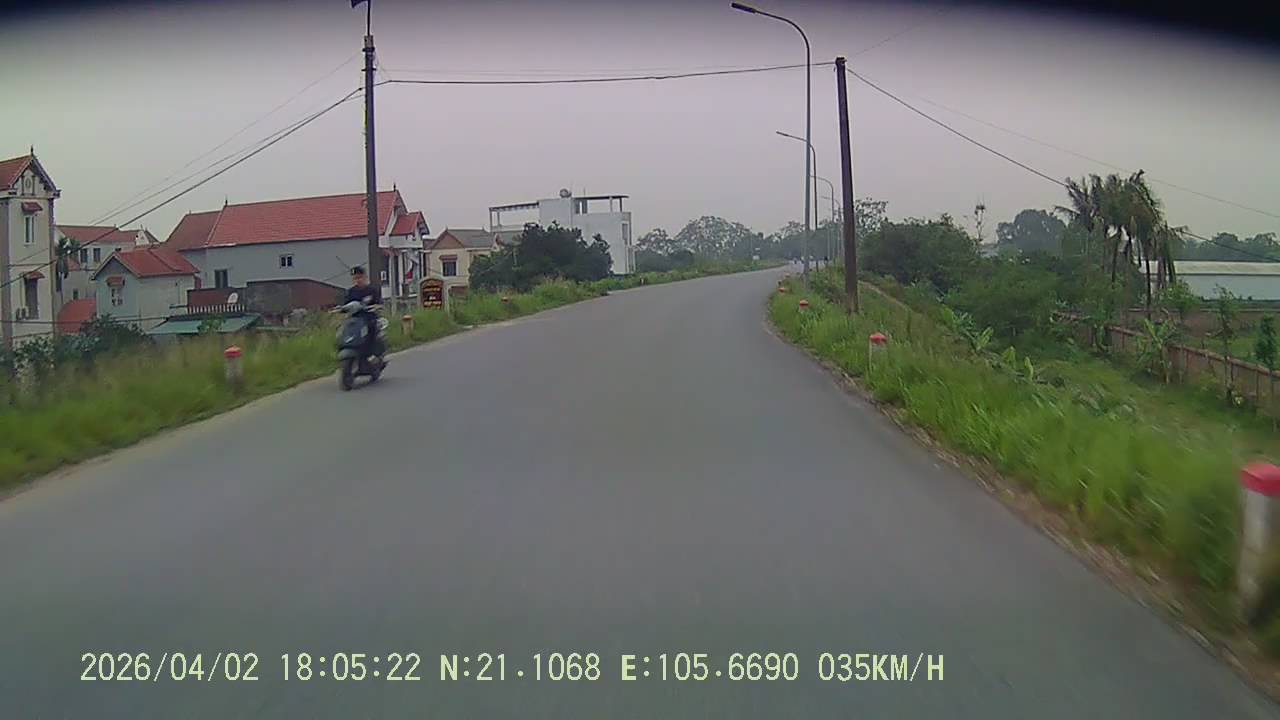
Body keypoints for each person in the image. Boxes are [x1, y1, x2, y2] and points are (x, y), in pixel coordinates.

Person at [344, 266, 383, 358]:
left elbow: (379, 303)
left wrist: (376, 307)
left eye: (360, 277)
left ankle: (373, 353)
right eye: (355, 278)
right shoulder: (351, 292)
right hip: (355, 319)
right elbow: (346, 305)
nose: (358, 280)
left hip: (369, 318)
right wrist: (340, 309)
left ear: (365, 277)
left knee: (371, 329)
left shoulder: (372, 290)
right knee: (345, 330)